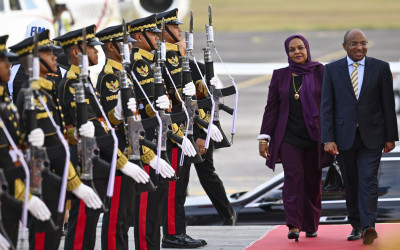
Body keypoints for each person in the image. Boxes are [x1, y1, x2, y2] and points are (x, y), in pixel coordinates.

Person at [55, 25, 150, 250]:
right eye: (92, 48)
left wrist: (114, 116)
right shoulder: (72, 83)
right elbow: (89, 129)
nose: (97, 52)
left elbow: (101, 124)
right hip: (85, 161)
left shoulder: (84, 80)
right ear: (77, 52)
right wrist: (122, 162)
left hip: (97, 159)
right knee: (82, 226)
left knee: (92, 220)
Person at [10, 29, 103, 250]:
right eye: (48, 53)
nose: (54, 56)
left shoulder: (45, 92)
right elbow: (18, 144)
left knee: (52, 237)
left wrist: (76, 134)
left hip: (57, 176)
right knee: (43, 240)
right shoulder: (29, 95)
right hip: (42, 179)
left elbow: (58, 135)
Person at [95, 23, 175, 250]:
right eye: (124, 45)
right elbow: (114, 120)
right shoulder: (110, 77)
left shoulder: (124, 73)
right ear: (111, 47)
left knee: (126, 213)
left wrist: (155, 108)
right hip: (120, 151)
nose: (130, 48)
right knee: (117, 218)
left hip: (133, 148)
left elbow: (137, 114)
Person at [320, 29, 398, 245]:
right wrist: (328, 138)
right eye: (354, 44)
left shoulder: (380, 68)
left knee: (368, 179)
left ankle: (369, 226)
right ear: (344, 46)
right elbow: (327, 106)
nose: (359, 47)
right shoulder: (332, 69)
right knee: (352, 183)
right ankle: (356, 225)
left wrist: (391, 136)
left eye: (363, 43)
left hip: (372, 136)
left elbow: (387, 105)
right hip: (343, 137)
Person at [258, 35, 325, 241]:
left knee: (313, 183)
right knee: (293, 178)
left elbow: (330, 104)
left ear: (307, 49)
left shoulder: (321, 71)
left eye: (301, 48)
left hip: (315, 137)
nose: (297, 52)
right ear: (287, 53)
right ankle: (294, 224)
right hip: (289, 138)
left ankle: (311, 225)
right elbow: (272, 108)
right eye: (292, 49)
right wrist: (264, 138)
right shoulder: (280, 75)